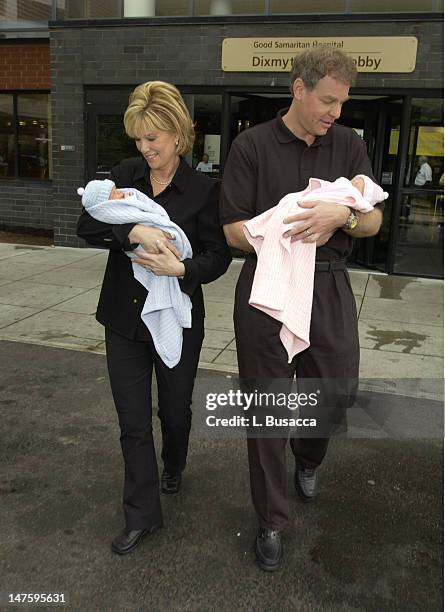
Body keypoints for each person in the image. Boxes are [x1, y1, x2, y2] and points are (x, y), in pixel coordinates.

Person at [220, 47, 384, 571]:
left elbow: (375, 220)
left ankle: (308, 457)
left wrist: (344, 217)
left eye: (342, 103)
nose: (335, 112)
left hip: (330, 287)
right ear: (298, 88)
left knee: (337, 392)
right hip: (268, 287)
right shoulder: (251, 145)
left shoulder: (350, 145)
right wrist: (280, 231)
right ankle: (270, 519)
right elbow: (230, 231)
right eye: (328, 100)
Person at [77, 81, 232, 555]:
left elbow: (218, 256)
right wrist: (134, 229)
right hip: (123, 320)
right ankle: (142, 515)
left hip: (178, 320)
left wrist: (180, 267)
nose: (144, 149)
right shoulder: (125, 175)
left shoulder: (205, 190)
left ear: (178, 135)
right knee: (133, 422)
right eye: (138, 140)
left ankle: (175, 462)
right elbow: (88, 223)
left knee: (175, 411)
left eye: (153, 139)